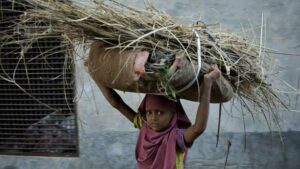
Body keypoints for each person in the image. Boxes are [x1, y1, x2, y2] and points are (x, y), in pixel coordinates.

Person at [98, 53, 221, 169]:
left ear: (173, 113)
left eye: (160, 112)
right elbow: (117, 104)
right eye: (149, 112)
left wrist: (207, 83)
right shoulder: (145, 125)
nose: (153, 118)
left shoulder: (176, 137)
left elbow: (198, 128)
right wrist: (96, 76)